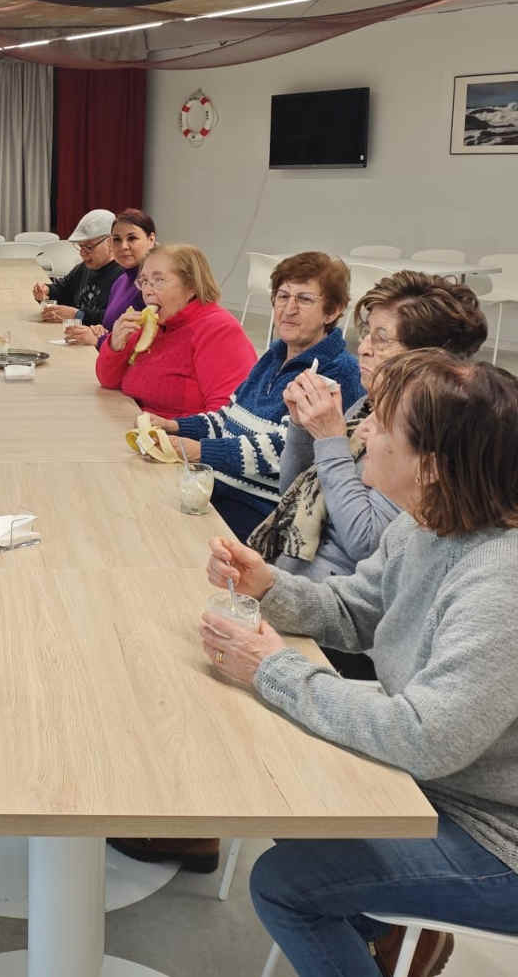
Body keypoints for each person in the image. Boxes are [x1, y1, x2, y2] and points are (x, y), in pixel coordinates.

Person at [201, 349, 518, 977]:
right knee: (281, 796)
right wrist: (267, 585)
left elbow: (428, 737)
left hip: (494, 838)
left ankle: (388, 924)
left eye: (380, 423)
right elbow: (355, 610)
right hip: (436, 788)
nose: (360, 429)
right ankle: (387, 925)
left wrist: (272, 669)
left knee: (285, 885)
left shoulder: (498, 582)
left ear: (430, 465)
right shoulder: (430, 524)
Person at [249, 272, 488, 586]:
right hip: (289, 577)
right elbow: (295, 492)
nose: (362, 348)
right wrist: (302, 425)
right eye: (366, 334)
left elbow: (365, 542)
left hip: (334, 600)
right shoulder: (367, 406)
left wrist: (331, 438)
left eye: (382, 339)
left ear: (427, 357)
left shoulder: (429, 434)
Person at [147, 252, 361, 540]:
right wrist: (174, 426)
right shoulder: (274, 356)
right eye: (282, 297)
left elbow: (286, 454)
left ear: (333, 311)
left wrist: (201, 451)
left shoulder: (337, 372)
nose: (289, 309)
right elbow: (228, 419)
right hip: (216, 493)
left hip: (258, 516)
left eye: (305, 299)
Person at [96, 243, 257, 418]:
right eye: (144, 282)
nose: (148, 291)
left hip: (181, 438)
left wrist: (174, 430)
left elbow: (227, 415)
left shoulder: (219, 330)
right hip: (135, 424)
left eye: (159, 281)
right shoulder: (151, 324)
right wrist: (115, 345)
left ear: (191, 286)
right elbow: (108, 380)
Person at [63, 208, 156, 347]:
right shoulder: (120, 282)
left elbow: (147, 346)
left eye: (132, 238)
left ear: (151, 240)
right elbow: (115, 332)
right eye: (117, 239)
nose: (123, 246)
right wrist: (100, 332)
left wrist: (98, 341)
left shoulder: (154, 287)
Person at [31, 208, 123, 328]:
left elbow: (113, 319)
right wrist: (46, 291)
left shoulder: (123, 276)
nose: (82, 253)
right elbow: (63, 290)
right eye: (80, 247)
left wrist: (78, 315)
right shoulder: (84, 268)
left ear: (110, 242)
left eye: (89, 247)